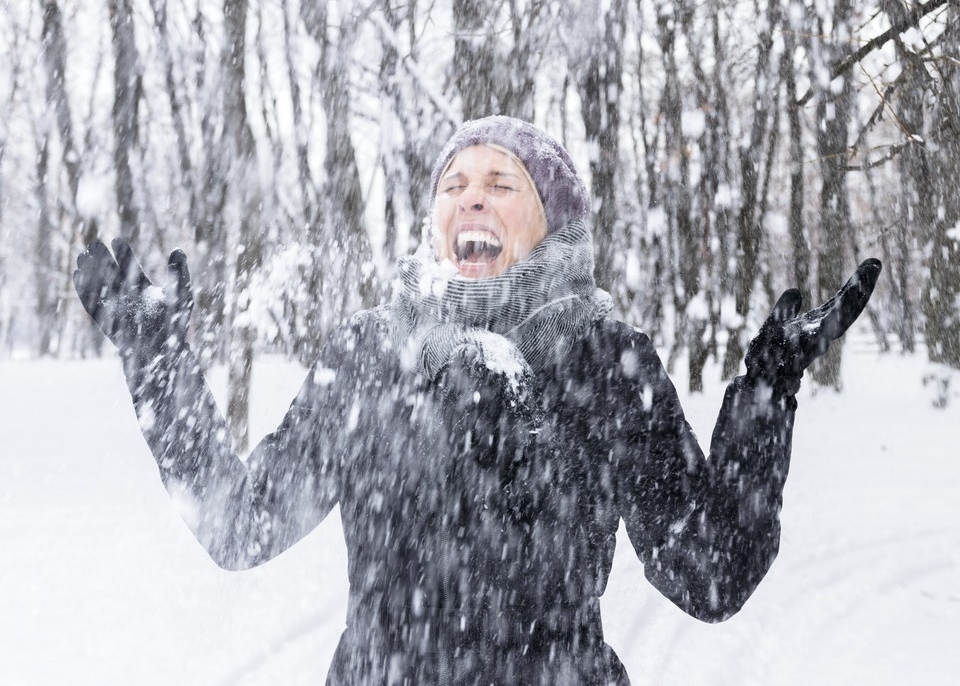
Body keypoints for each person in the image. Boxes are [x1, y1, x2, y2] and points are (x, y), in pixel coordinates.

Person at [73, 115, 881, 685]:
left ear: (552, 219)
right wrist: (158, 362)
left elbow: (710, 574)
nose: (471, 197)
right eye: (454, 184)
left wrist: (769, 388)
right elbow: (238, 523)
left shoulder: (603, 360)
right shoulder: (370, 355)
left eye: (502, 182)